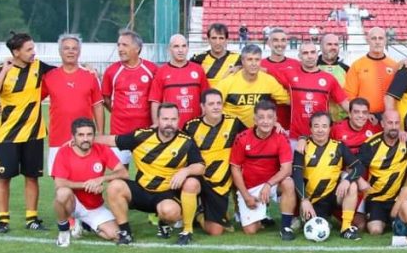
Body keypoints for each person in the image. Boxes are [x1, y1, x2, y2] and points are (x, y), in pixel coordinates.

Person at [98, 103, 205, 244]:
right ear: (158, 120)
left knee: (171, 212)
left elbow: (200, 166)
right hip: (141, 190)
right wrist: (84, 139)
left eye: (173, 119)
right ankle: (125, 232)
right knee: (114, 186)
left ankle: (165, 222)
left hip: (166, 194)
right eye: (165, 119)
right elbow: (111, 140)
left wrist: (186, 171)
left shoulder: (186, 142)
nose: (169, 123)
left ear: (178, 120)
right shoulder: (142, 136)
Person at [0, 32, 56, 233]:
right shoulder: (0, 70)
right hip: (8, 135)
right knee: (3, 178)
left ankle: (32, 219)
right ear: (16, 52)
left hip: (34, 134)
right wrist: (4, 71)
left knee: (32, 177)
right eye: (29, 49)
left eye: (33, 48)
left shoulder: (39, 66)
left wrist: (87, 69)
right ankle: (3, 220)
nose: (33, 52)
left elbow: (64, 73)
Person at [179, 89, 248, 244]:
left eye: (218, 103)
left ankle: (199, 214)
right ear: (203, 106)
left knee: (216, 231)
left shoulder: (234, 123)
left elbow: (251, 138)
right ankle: (187, 225)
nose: (216, 107)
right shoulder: (191, 126)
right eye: (211, 104)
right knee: (190, 184)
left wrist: (276, 124)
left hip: (221, 182)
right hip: (200, 177)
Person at [52, 118, 128, 246]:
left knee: (116, 235)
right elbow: (59, 183)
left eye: (89, 134)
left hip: (94, 206)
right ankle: (64, 230)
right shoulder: (64, 152)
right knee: (62, 193)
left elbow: (123, 173)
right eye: (81, 135)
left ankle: (87, 224)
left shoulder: (102, 149)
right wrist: (88, 185)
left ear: (94, 136)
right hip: (73, 203)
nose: (85, 139)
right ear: (73, 137)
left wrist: (101, 179)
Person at [229, 100, 297, 239]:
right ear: (255, 119)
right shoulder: (242, 138)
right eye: (261, 117)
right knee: (250, 231)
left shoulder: (281, 137)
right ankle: (262, 216)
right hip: (251, 187)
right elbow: (235, 169)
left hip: (272, 185)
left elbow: (287, 169)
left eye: (270, 117)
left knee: (288, 183)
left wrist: (269, 184)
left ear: (275, 119)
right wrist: (246, 196)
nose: (265, 121)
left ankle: (285, 227)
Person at [292, 112, 362, 240]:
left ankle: (346, 228)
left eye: (324, 126)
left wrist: (347, 180)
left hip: (333, 197)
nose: (320, 130)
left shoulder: (339, 146)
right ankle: (302, 218)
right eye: (316, 126)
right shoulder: (302, 147)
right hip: (310, 200)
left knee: (352, 186)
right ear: (310, 128)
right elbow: (296, 175)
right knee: (318, 224)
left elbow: (359, 167)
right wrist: (304, 200)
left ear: (330, 128)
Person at [42, 33, 105, 175]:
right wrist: (3, 104)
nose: (70, 51)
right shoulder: (49, 76)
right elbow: (32, 99)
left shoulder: (90, 76)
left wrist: (100, 134)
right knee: (60, 183)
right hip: (58, 139)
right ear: (60, 51)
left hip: (84, 139)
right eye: (66, 48)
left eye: (74, 48)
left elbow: (98, 106)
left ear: (79, 52)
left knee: (86, 180)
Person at [271, 41, 348, 142]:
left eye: (312, 52)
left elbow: (345, 103)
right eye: (305, 53)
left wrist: (362, 116)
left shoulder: (329, 78)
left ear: (317, 54)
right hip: (296, 138)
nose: (310, 56)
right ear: (299, 56)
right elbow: (265, 73)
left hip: (320, 138)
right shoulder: (289, 74)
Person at [101, 30, 158, 165]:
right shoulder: (112, 71)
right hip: (119, 133)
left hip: (145, 133)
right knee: (120, 173)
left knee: (148, 172)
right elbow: (105, 98)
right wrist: (118, 112)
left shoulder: (152, 69)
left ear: (137, 49)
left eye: (125, 45)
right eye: (119, 45)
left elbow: (157, 98)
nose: (120, 49)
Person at [356, 110, 407, 235]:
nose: (394, 127)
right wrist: (360, 180)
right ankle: (374, 216)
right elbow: (355, 166)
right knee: (375, 231)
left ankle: (392, 219)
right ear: (382, 124)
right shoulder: (371, 145)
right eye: (390, 123)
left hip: (398, 199)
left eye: (397, 123)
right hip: (376, 198)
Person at [213, 44, 290, 129]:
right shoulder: (228, 81)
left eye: (257, 59)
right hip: (231, 130)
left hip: (259, 131)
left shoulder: (269, 80)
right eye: (249, 59)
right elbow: (211, 106)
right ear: (242, 61)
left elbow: (289, 100)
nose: (254, 64)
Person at [149, 33, 210, 126]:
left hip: (195, 126)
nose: (180, 50)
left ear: (188, 48)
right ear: (169, 49)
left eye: (184, 46)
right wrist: (156, 124)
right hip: (170, 127)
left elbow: (207, 98)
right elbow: (155, 101)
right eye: (176, 46)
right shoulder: (161, 72)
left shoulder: (198, 70)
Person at [344, 27, 399, 120]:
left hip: (388, 119)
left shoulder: (394, 65)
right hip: (365, 118)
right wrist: (361, 114)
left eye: (380, 38)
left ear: (385, 40)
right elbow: (349, 95)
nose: (377, 42)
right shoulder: (357, 65)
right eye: (374, 38)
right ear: (368, 40)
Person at [260, 27, 298, 131]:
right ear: (268, 43)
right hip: (265, 123)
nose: (280, 44)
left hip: (290, 124)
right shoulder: (259, 64)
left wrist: (268, 71)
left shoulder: (296, 65)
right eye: (275, 40)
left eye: (283, 40)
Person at [318, 33, 350, 122]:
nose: (333, 47)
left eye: (336, 44)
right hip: (318, 122)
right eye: (329, 44)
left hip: (342, 121)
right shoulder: (313, 68)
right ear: (321, 46)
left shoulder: (347, 69)